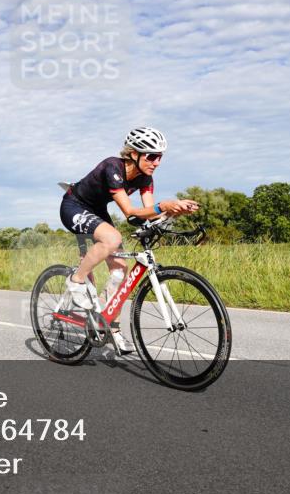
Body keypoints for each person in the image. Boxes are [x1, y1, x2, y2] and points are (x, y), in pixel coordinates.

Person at [59, 127, 199, 353]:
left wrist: (175, 211)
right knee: (112, 239)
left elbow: (147, 214)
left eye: (160, 157)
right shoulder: (113, 167)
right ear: (134, 154)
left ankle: (107, 324)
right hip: (74, 205)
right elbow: (130, 213)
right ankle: (76, 280)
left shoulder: (146, 178)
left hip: (97, 210)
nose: (156, 162)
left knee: (120, 270)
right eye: (151, 156)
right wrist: (163, 205)